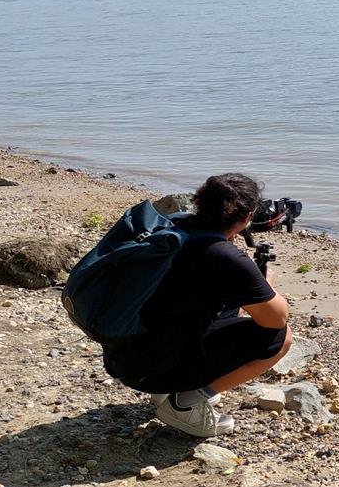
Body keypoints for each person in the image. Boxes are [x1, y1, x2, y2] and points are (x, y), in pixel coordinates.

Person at [102, 173, 293, 437]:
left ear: (200, 203)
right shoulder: (224, 257)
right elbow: (277, 318)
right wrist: (265, 281)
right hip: (150, 371)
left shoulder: (175, 226)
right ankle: (185, 402)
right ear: (248, 217)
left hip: (122, 356)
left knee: (227, 306)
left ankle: (169, 389)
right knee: (280, 338)